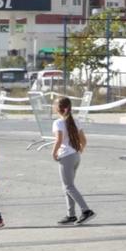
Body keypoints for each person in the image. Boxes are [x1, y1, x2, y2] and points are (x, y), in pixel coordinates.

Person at [51, 96, 94, 226]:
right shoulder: (75, 121)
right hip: (75, 156)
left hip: (66, 157)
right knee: (67, 186)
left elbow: (58, 140)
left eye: (54, 105)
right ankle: (71, 215)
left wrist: (54, 152)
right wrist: (79, 151)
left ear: (58, 108)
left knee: (69, 186)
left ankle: (86, 211)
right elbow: (84, 141)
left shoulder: (58, 123)